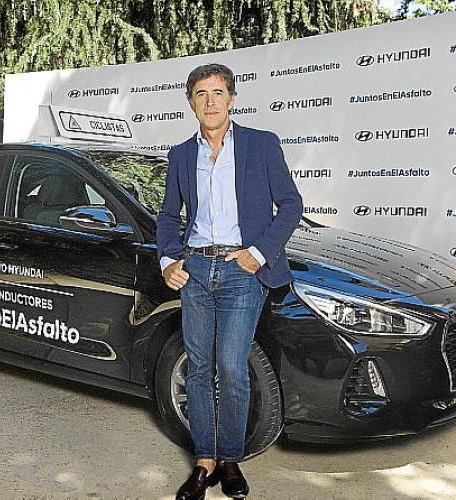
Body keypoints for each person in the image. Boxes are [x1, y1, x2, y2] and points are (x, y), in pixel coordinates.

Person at [156, 63, 303, 500]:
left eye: (218, 93)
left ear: (232, 99)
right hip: (196, 270)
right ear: (191, 103)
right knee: (199, 368)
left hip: (242, 271)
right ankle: (205, 461)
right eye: (201, 94)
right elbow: (168, 216)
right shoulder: (181, 155)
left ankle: (231, 459)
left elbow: (291, 204)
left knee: (232, 367)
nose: (210, 102)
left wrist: (258, 254)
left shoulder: (261, 144)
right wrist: (168, 260)